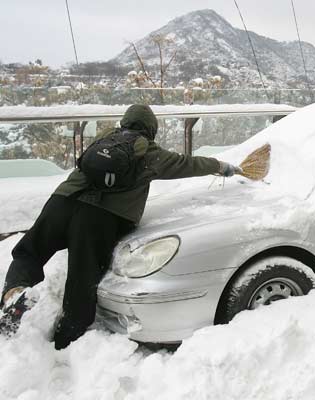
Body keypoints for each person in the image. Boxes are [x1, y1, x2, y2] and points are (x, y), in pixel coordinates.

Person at [0, 104, 241, 349]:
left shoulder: (105, 139)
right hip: (98, 218)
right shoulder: (150, 154)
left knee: (29, 252)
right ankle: (65, 344)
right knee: (81, 280)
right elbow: (189, 163)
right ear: (151, 129)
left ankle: (14, 293)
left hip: (62, 201)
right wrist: (222, 167)